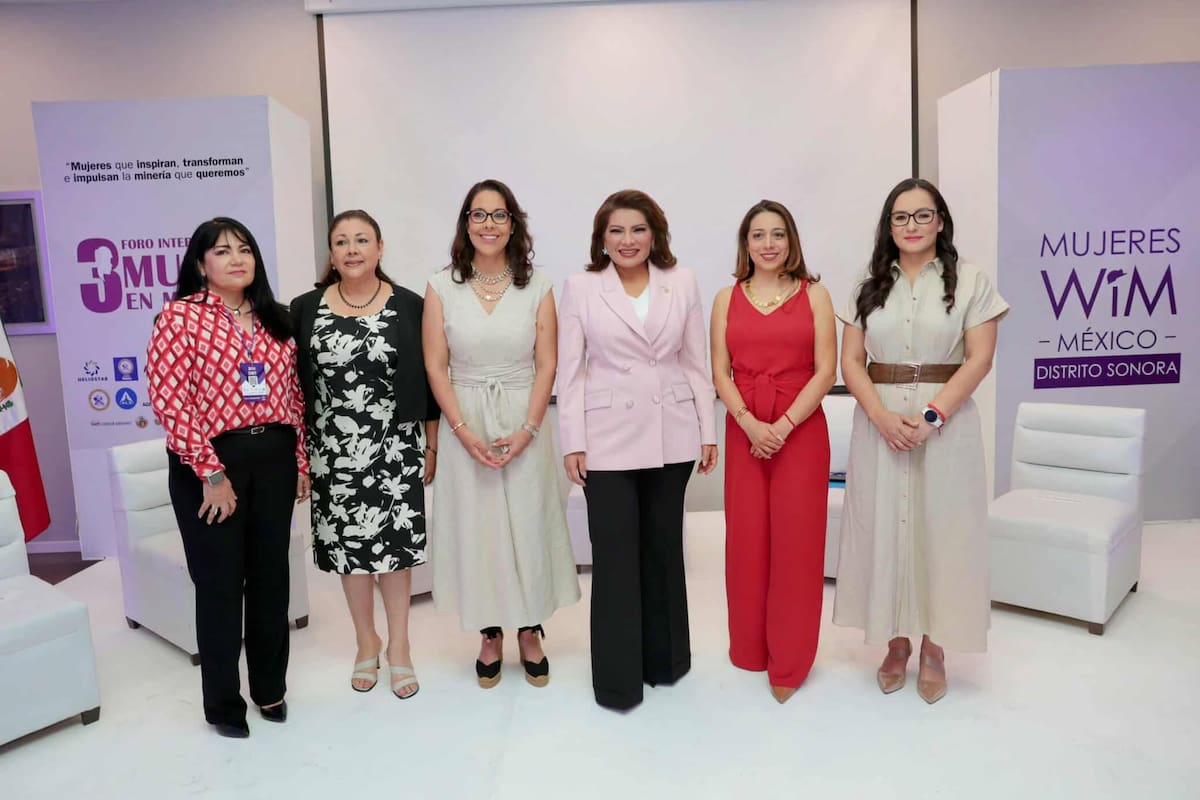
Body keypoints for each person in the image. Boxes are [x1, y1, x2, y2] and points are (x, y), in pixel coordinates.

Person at [832, 178, 1009, 704]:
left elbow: (979, 359)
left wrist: (932, 416)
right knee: (885, 528)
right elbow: (851, 361)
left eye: (922, 215)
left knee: (944, 531)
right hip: (879, 422)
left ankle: (934, 647)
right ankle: (896, 641)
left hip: (946, 425)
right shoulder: (868, 284)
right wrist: (881, 416)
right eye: (900, 217)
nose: (911, 226)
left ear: (940, 221)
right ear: (889, 226)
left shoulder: (970, 280)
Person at [147, 217, 309, 738]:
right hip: (211, 465)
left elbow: (295, 397)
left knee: (271, 580)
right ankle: (223, 705)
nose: (236, 259)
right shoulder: (178, 318)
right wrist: (212, 473)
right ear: (201, 264)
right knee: (219, 586)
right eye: (221, 251)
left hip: (275, 458)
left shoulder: (276, 319)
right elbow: (171, 402)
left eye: (244, 249)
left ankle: (270, 688)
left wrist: (299, 462)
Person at [558, 189, 718, 711]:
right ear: (601, 239)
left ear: (655, 234)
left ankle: (666, 663)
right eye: (616, 231)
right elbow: (570, 372)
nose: (627, 240)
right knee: (614, 556)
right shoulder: (581, 287)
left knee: (663, 549)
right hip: (606, 437)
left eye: (638, 229)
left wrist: (707, 430)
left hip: (673, 432)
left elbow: (695, 363)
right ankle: (617, 682)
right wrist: (573, 441)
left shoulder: (682, 281)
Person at [423, 179, 580, 689]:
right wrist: (461, 430)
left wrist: (530, 428)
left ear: (514, 224)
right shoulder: (441, 286)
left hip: (522, 415)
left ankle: (530, 627)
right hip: (464, 416)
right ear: (465, 223)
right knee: (479, 528)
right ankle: (490, 631)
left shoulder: (539, 286)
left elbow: (548, 363)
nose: (488, 224)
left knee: (528, 524)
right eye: (478, 214)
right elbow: (435, 365)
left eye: (498, 215)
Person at [290, 209, 439, 700]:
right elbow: (293, 388)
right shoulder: (305, 308)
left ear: (379, 248)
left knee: (395, 552)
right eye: (341, 241)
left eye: (361, 240)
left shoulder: (410, 305)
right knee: (349, 554)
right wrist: (299, 455)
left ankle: (400, 646)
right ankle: (365, 641)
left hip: (395, 447)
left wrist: (431, 443)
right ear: (331, 253)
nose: (352, 249)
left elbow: (431, 376)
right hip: (331, 451)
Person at [710, 200, 835, 704]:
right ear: (745, 243)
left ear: (791, 241)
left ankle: (790, 660)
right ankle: (750, 649)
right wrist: (748, 423)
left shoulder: (815, 295)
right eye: (758, 235)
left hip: (799, 430)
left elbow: (826, 371)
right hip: (745, 429)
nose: (768, 244)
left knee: (796, 545)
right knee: (747, 540)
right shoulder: (725, 297)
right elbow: (720, 371)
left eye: (777, 234)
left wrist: (781, 426)